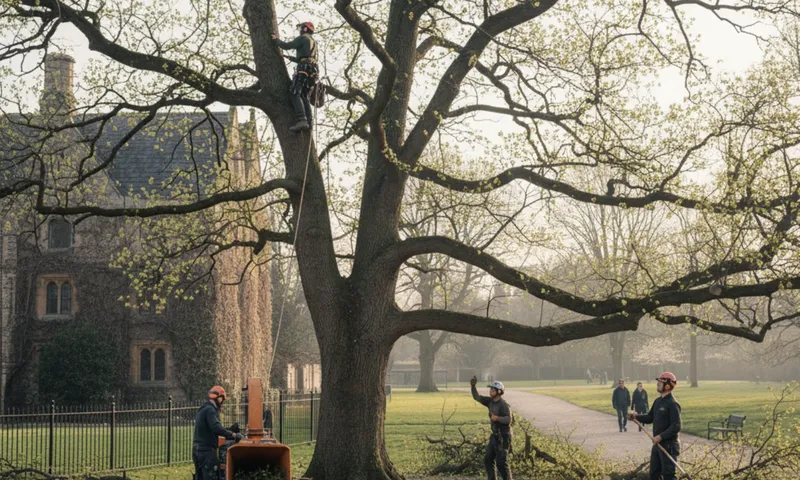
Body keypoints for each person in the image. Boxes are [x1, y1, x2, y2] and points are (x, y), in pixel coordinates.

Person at [628, 372, 682, 480]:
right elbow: (650, 417)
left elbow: (676, 426)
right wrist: (636, 417)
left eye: (660, 382)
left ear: (668, 385)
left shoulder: (673, 404)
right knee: (654, 475)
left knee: (668, 476)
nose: (657, 384)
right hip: (657, 445)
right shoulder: (658, 402)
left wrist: (660, 436)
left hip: (668, 445)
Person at [271, 22, 318, 132]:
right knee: (303, 95)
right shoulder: (313, 42)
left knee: (294, 93)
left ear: (305, 29)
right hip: (312, 71)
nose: (300, 30)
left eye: (301, 28)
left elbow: (287, 46)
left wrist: (276, 39)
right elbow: (305, 57)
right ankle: (308, 121)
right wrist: (289, 57)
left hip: (304, 69)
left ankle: (302, 119)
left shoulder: (303, 38)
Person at [193, 386, 243, 480]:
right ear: (218, 398)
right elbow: (215, 427)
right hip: (207, 452)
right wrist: (234, 435)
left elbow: (209, 428)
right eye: (222, 399)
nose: (222, 402)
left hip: (197, 450)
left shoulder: (202, 409)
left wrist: (228, 429)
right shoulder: (210, 410)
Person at [471, 375, 512, 480]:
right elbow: (477, 397)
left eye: (493, 390)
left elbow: (509, 420)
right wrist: (473, 386)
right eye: (490, 389)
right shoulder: (490, 401)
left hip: (504, 436)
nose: (490, 391)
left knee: (501, 463)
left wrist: (498, 418)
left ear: (499, 392)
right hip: (495, 435)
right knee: (488, 459)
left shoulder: (504, 405)